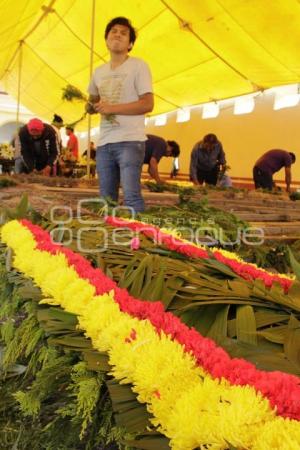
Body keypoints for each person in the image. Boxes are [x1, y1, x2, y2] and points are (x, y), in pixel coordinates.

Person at [86, 16, 153, 212]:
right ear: (106, 39)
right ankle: (111, 237)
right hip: (105, 143)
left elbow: (147, 104)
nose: (118, 34)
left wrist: (111, 108)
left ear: (130, 44)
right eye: (114, 31)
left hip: (130, 140)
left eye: (124, 33)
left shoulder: (138, 66)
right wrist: (91, 106)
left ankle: (140, 239)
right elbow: (92, 100)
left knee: (131, 197)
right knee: (106, 201)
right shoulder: (98, 72)